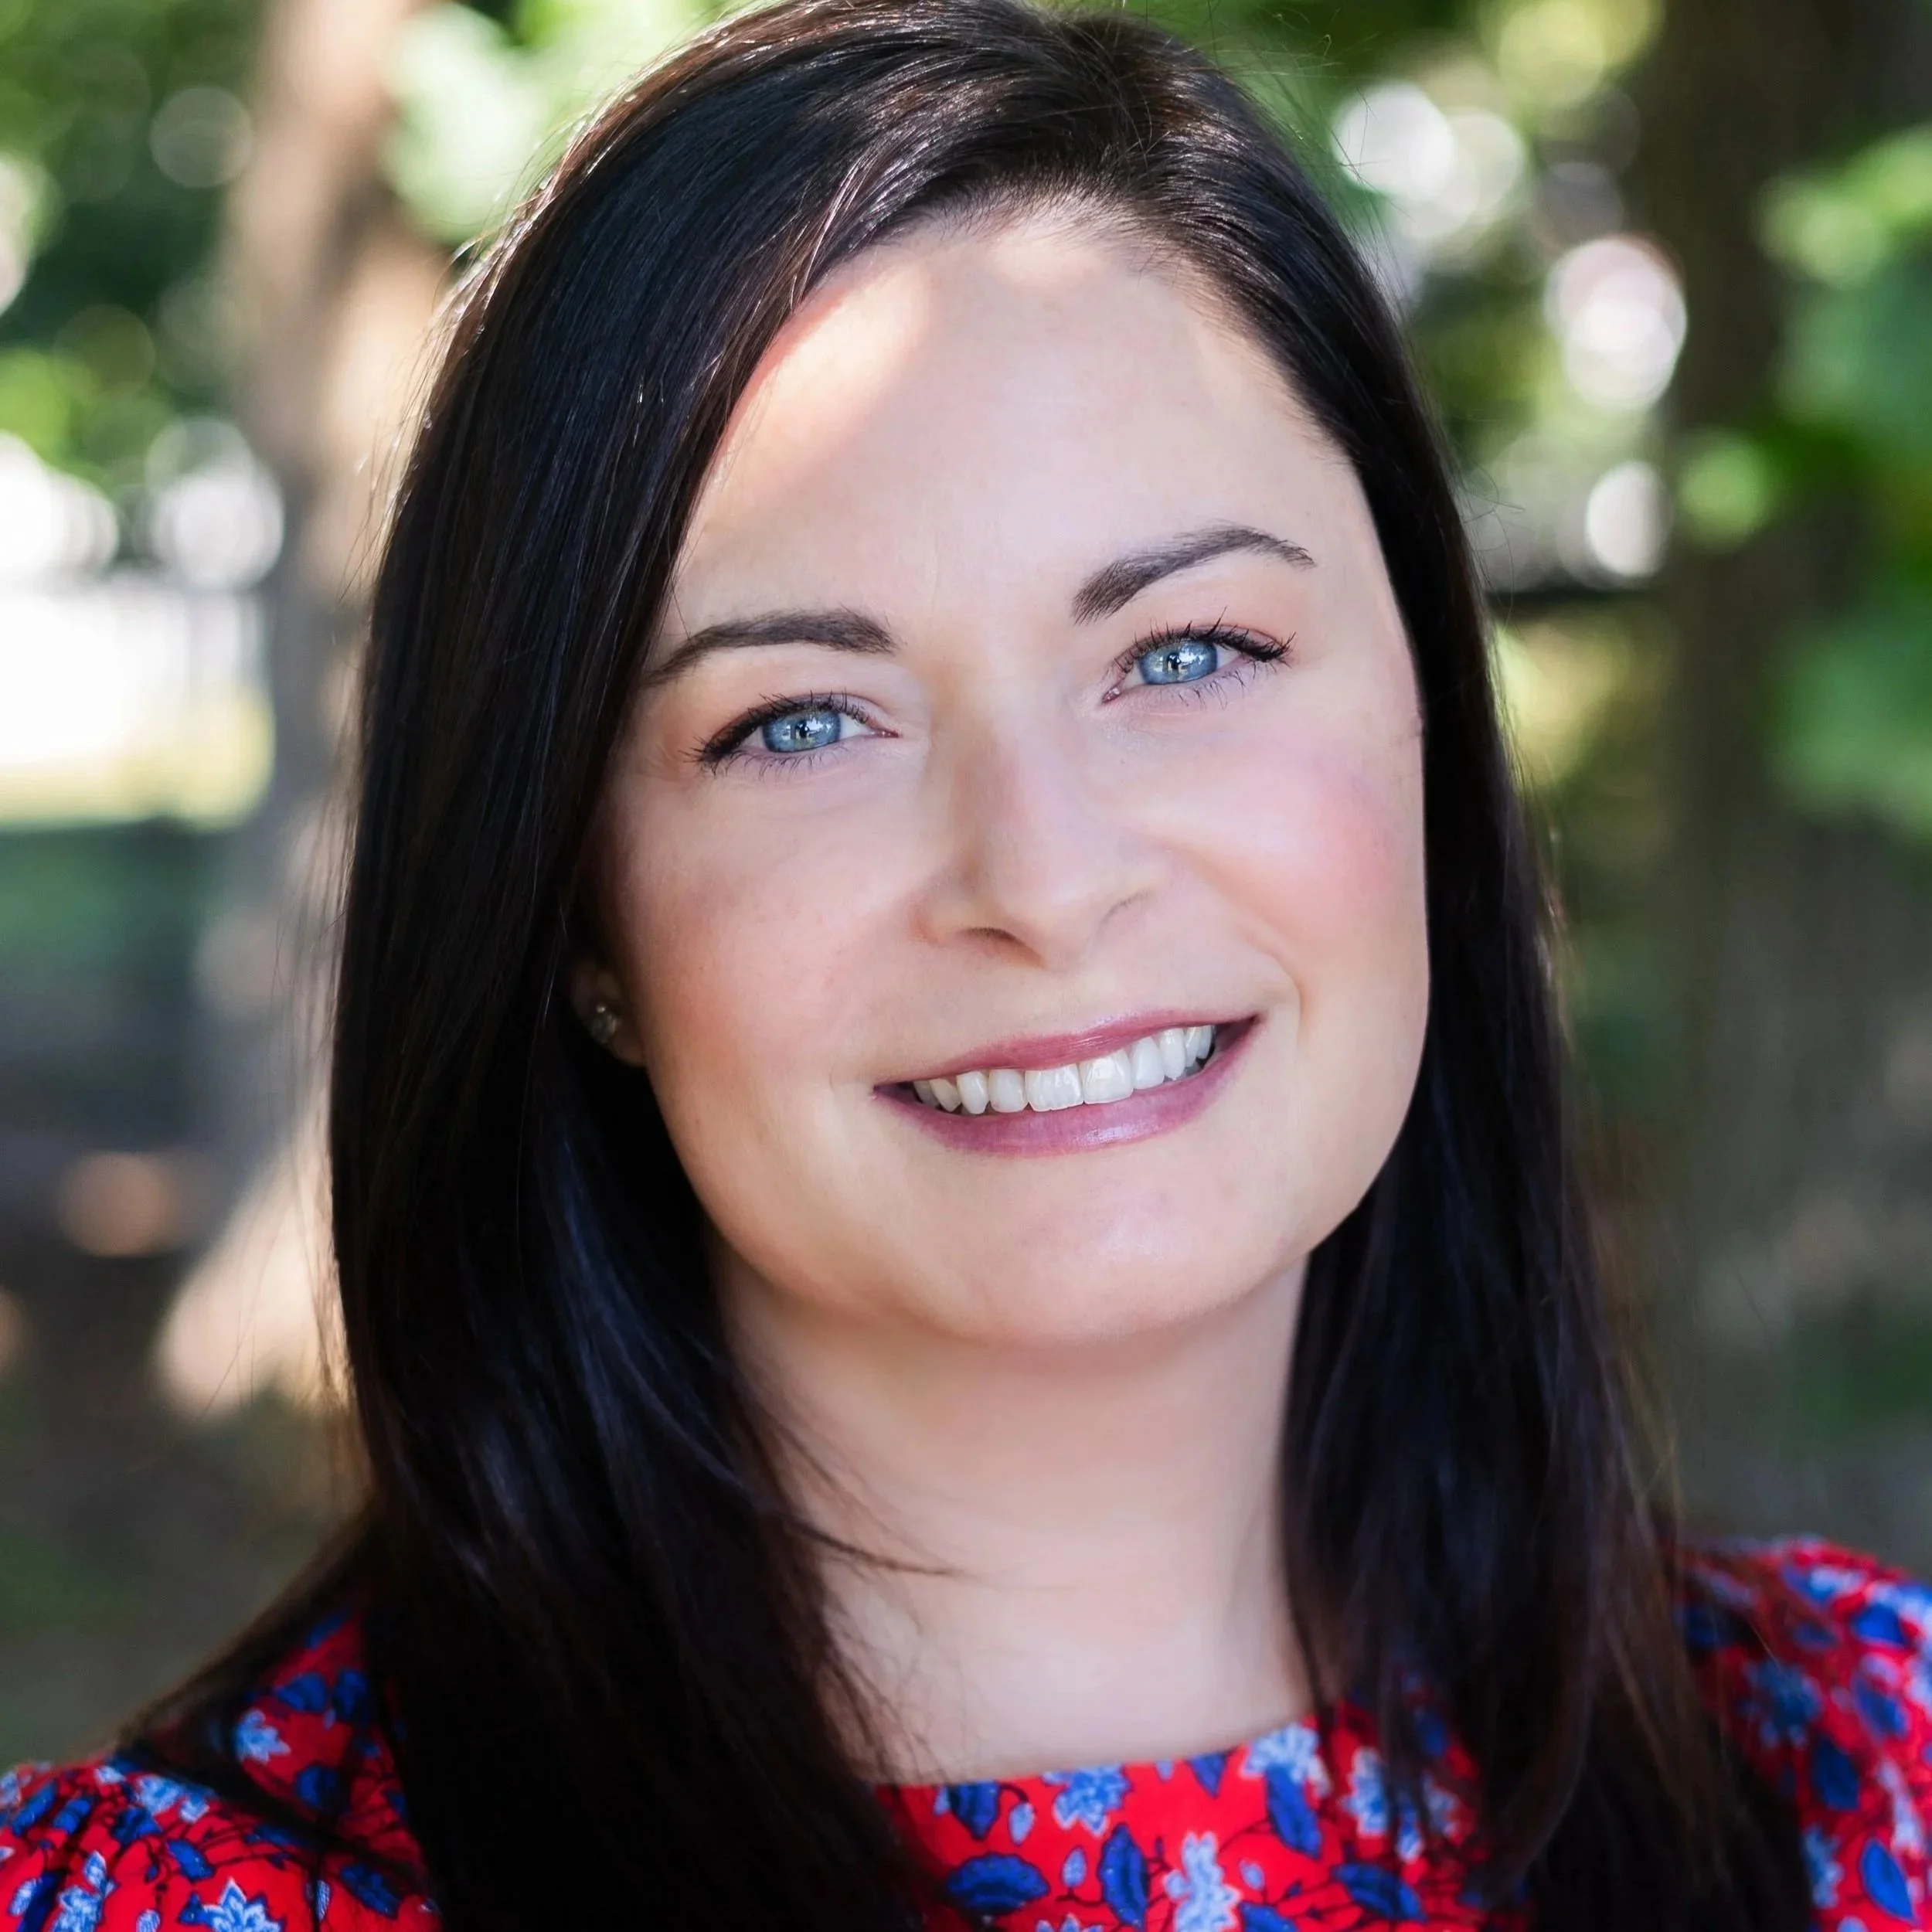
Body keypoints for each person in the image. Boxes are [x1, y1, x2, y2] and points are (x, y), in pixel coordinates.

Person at [1, 0, 1925, 1926]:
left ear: (1427, 715)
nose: (1044, 877)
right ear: (574, 913)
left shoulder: (1860, 1774)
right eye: (799, 720)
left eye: (1187, 651)